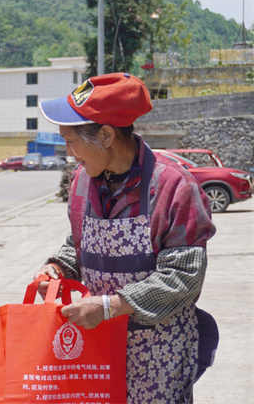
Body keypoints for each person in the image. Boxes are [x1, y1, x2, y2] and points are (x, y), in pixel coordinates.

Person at [35, 72, 217, 404]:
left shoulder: (173, 187)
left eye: (71, 141)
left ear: (105, 135)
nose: (68, 152)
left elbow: (184, 276)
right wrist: (58, 269)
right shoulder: (82, 182)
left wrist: (111, 306)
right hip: (98, 351)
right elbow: (78, 244)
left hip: (159, 356)